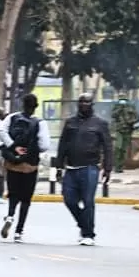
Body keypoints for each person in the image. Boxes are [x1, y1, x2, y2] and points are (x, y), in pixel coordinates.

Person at [57, 93, 112, 246]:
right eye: (81, 102)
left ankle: (88, 234)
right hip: (71, 168)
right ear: (78, 104)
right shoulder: (70, 123)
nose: (84, 105)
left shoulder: (100, 124)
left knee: (88, 201)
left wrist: (107, 169)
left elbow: (108, 147)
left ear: (92, 104)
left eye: (87, 102)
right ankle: (84, 225)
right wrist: (58, 167)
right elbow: (62, 146)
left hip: (90, 168)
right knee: (69, 199)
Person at [0, 94, 51, 242]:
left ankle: (10, 216)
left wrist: (14, 147)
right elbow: (44, 145)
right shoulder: (40, 123)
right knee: (26, 199)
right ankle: (18, 232)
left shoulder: (12, 118)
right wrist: (31, 149)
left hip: (12, 164)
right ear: (36, 106)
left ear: (23, 104)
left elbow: (1, 132)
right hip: (30, 165)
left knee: (13, 195)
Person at [110, 95, 139, 173]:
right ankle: (116, 167)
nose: (122, 101)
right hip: (119, 130)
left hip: (128, 130)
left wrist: (131, 121)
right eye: (121, 100)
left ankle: (120, 167)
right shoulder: (116, 107)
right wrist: (119, 109)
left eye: (124, 100)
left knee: (123, 149)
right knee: (118, 147)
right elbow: (113, 115)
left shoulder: (131, 107)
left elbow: (137, 117)